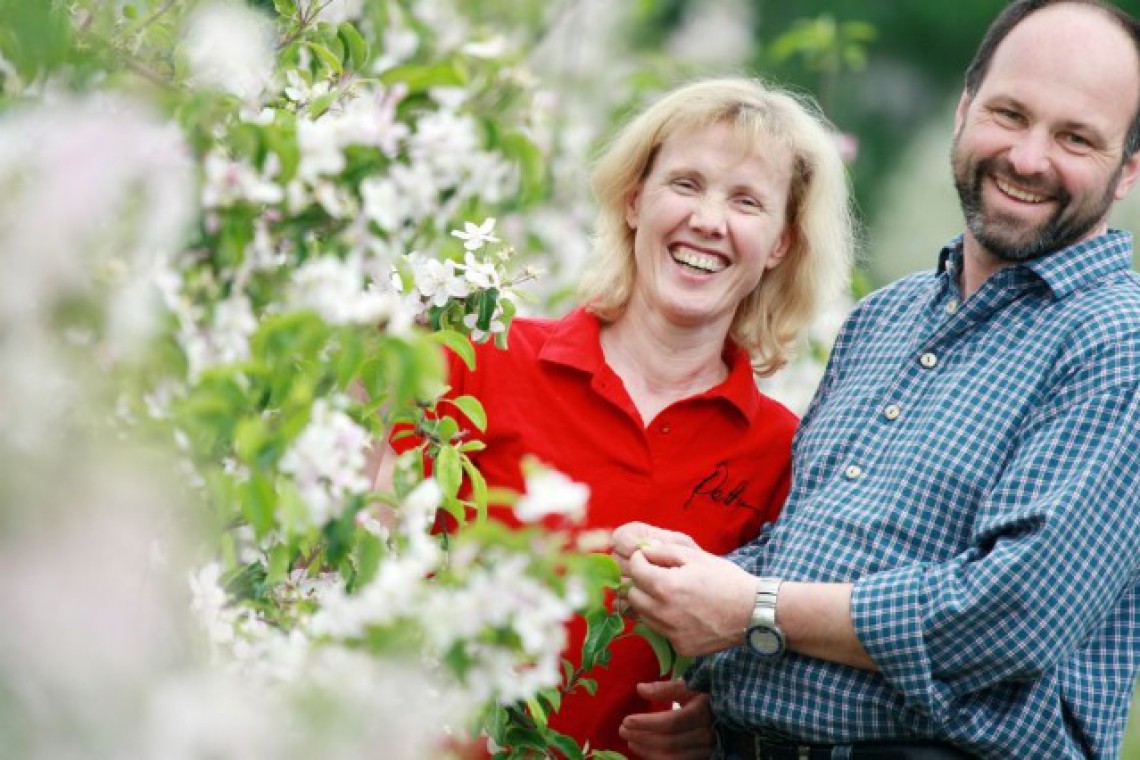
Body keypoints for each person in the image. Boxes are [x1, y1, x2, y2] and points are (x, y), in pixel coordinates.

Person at [613, 2, 1140, 758]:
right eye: (1008, 113)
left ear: (1129, 168)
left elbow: (1013, 612)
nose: (1027, 157)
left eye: (1075, 137)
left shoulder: (1118, 342)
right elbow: (804, 549)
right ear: (964, 110)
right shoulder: (885, 319)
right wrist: (712, 678)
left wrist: (752, 608)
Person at [380, 77, 854, 755]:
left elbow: (759, 655)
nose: (709, 221)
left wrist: (715, 724)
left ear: (781, 243)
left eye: (747, 202)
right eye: (686, 184)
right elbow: (361, 574)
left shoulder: (783, 452)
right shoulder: (481, 361)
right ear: (635, 200)